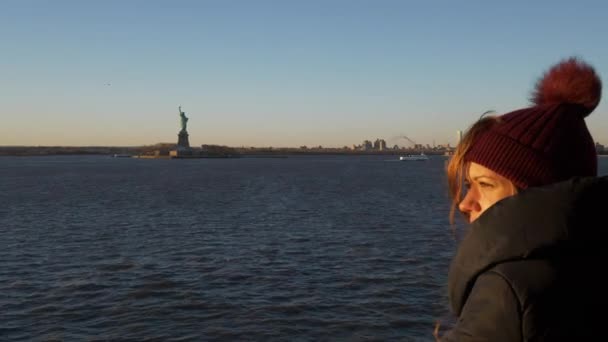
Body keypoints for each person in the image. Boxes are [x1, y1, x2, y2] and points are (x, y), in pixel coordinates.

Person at [438, 57, 607, 341]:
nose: (466, 204)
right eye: (468, 185)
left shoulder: (509, 291)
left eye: (486, 184)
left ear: (538, 191)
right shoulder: (589, 263)